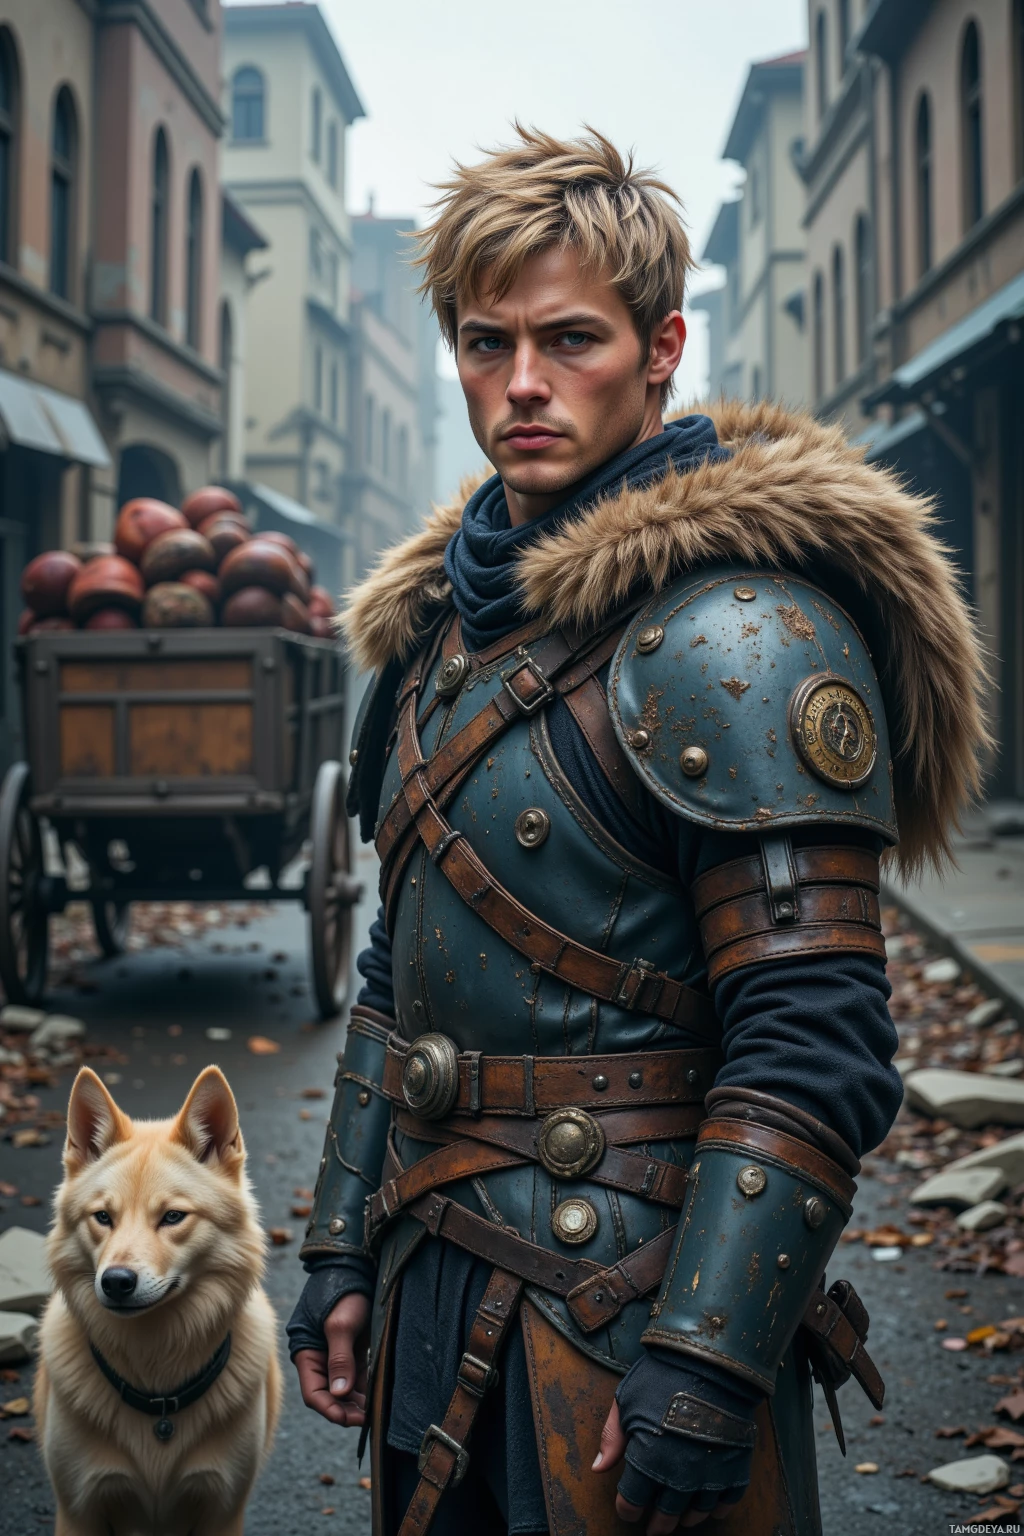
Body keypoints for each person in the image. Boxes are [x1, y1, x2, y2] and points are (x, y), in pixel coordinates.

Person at [287, 126, 985, 1536]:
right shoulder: (439, 638)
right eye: (487, 344)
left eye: (571, 340)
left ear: (661, 348)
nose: (524, 385)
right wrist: (338, 1248)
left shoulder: (743, 634)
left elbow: (813, 1037)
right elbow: (393, 983)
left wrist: (706, 1361)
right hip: (429, 1273)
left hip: (633, 1305)